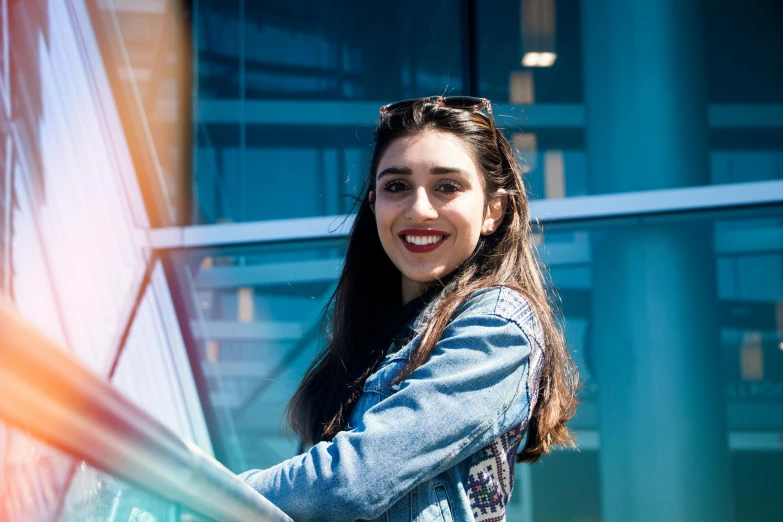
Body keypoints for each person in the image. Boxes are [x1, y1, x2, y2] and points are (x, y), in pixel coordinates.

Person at [239, 96, 580, 521]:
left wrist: (211, 492)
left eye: (447, 186)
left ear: (495, 210)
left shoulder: (497, 323)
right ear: (374, 204)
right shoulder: (371, 339)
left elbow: (350, 482)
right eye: (396, 186)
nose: (419, 209)